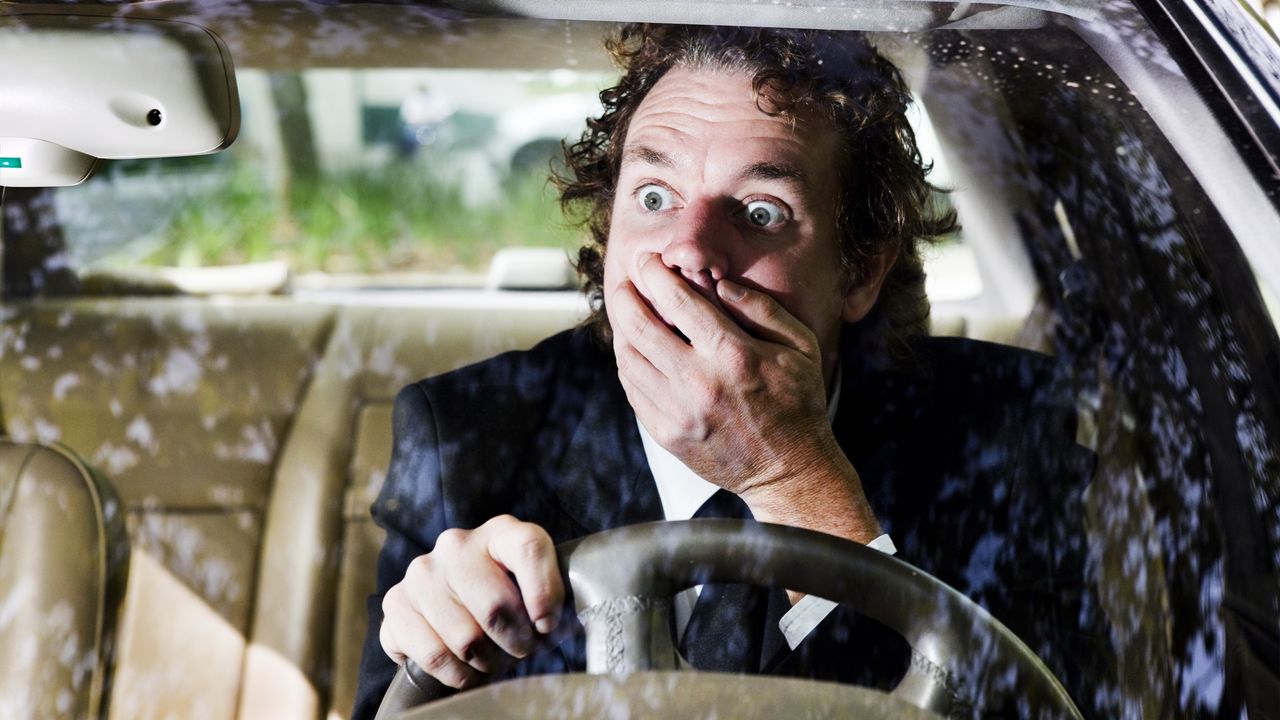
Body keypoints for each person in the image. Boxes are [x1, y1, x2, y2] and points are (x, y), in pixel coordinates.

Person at [352, 24, 1109, 719]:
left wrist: (791, 479)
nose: (688, 251)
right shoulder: (471, 434)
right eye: (653, 197)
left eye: (760, 212)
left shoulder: (1006, 424)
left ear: (860, 272)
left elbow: (1043, 703)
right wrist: (441, 639)